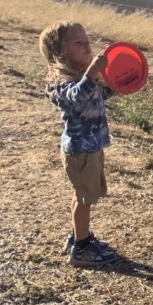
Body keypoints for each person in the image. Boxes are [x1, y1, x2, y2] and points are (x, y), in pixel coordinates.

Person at [39, 21, 119, 267]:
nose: (87, 46)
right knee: (85, 199)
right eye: (79, 43)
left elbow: (97, 95)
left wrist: (118, 82)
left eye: (87, 41)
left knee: (82, 196)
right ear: (60, 51)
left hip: (91, 147)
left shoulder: (81, 77)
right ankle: (82, 248)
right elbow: (77, 96)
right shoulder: (61, 81)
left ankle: (78, 236)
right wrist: (92, 73)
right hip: (80, 150)